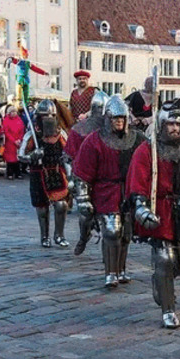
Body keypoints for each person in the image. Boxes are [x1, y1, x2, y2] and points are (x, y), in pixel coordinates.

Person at [125, 96, 180, 327]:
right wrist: (140, 206)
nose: (175, 128)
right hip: (161, 211)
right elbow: (137, 181)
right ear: (161, 124)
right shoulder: (147, 150)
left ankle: (161, 280)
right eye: (170, 124)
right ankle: (168, 310)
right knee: (165, 259)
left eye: (178, 124)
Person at [75, 95, 146, 287]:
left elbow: (149, 159)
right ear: (108, 119)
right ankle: (110, 273)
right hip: (106, 192)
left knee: (126, 234)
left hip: (129, 191)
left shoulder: (138, 139)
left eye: (122, 118)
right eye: (116, 119)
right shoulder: (94, 141)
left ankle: (121, 270)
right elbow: (82, 172)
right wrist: (83, 199)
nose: (119, 122)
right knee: (112, 231)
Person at [19, 100, 70, 248]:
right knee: (42, 208)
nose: (48, 120)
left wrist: (70, 174)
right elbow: (21, 156)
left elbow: (67, 156)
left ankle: (59, 235)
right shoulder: (31, 135)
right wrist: (33, 155)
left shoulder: (61, 134)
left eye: (51, 116)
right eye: (45, 116)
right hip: (38, 172)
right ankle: (44, 237)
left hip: (56, 171)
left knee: (61, 205)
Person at [64, 91, 108, 255]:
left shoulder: (114, 130)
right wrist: (71, 179)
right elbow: (68, 157)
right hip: (84, 176)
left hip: (107, 177)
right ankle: (84, 236)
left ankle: (112, 260)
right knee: (85, 212)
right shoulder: (80, 129)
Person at [2, 105, 25, 180]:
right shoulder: (6, 120)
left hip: (18, 141)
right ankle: (10, 173)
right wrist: (14, 140)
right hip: (10, 142)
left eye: (15, 111)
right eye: (12, 111)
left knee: (17, 158)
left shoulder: (19, 120)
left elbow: (22, 130)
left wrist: (19, 139)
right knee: (10, 159)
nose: (14, 113)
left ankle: (18, 173)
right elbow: (6, 132)